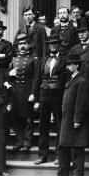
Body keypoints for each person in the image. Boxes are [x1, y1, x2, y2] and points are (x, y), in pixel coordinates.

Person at [52, 54, 89, 176]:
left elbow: (82, 102)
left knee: (77, 147)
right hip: (66, 118)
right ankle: (62, 172)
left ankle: (78, 173)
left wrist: (77, 120)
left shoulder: (81, 81)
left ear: (77, 65)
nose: (68, 67)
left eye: (71, 64)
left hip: (74, 119)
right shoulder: (70, 79)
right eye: (67, 65)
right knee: (63, 146)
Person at [33, 35, 67, 165]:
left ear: (59, 45)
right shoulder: (43, 60)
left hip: (58, 95)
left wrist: (65, 98)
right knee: (43, 126)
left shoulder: (64, 59)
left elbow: (66, 79)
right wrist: (36, 98)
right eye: (50, 44)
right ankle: (43, 155)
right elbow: (37, 79)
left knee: (59, 125)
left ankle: (59, 155)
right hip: (44, 95)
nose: (53, 46)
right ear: (48, 46)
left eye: (55, 44)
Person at [9, 33, 40, 152]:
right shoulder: (14, 59)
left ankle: (27, 142)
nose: (22, 46)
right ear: (17, 46)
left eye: (24, 44)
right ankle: (20, 140)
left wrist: (34, 94)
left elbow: (36, 78)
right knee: (15, 118)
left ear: (28, 45)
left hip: (28, 92)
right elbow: (9, 78)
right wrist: (10, 73)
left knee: (28, 119)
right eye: (20, 44)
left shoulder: (33, 59)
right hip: (16, 93)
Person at [69, 17, 89, 81]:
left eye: (84, 32)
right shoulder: (74, 49)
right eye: (79, 32)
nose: (81, 34)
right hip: (77, 83)